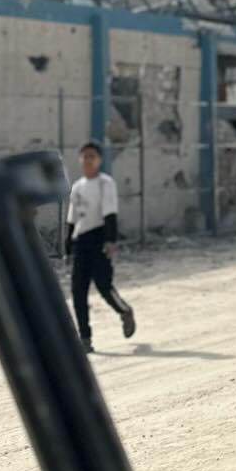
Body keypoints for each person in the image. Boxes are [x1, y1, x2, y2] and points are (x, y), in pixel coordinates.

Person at [65, 141, 136, 350]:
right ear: (80, 159)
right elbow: (72, 219)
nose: (88, 160)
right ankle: (85, 338)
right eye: (84, 156)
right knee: (78, 290)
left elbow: (110, 214)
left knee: (104, 285)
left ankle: (124, 311)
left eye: (92, 156)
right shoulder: (77, 187)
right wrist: (68, 246)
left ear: (99, 160)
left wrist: (110, 241)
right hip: (81, 241)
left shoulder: (105, 183)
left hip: (99, 237)